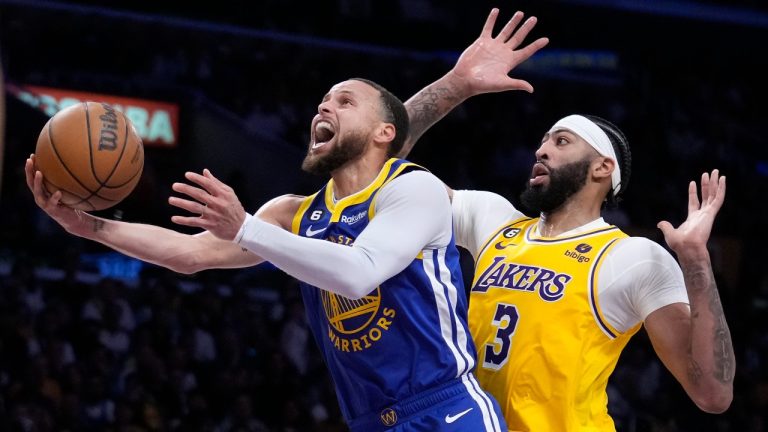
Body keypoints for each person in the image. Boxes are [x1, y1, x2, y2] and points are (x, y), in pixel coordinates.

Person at [24, 11, 548, 430]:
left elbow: (359, 272)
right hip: (367, 420)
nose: (325, 106)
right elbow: (190, 255)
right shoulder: (293, 213)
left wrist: (247, 229)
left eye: (345, 101)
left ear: (385, 132)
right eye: (323, 101)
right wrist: (90, 228)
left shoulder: (415, 189)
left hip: (446, 411)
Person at [397, 10, 735, 432]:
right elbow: (379, 164)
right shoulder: (494, 222)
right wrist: (456, 85)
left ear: (601, 168)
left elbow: (712, 394)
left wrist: (696, 262)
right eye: (542, 141)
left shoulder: (630, 257)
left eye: (561, 142)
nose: (541, 151)